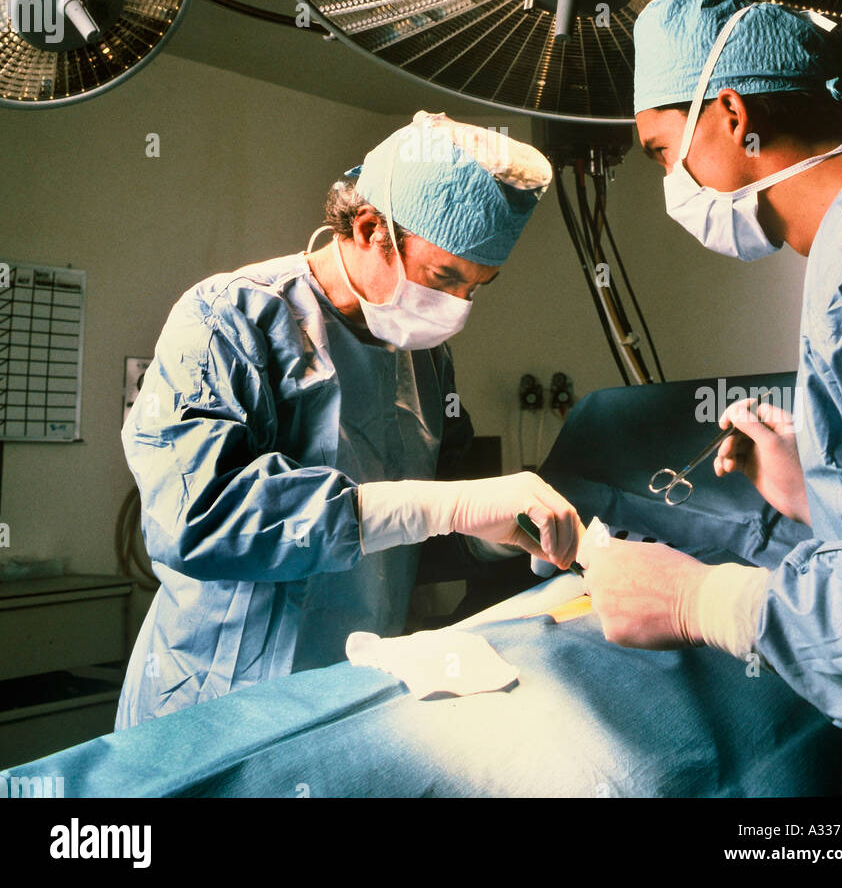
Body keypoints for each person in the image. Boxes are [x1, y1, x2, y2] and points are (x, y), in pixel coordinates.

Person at [116, 110, 581, 727]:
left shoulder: (425, 358)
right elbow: (195, 520)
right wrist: (450, 508)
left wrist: (498, 537)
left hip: (356, 693)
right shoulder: (228, 319)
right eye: (444, 278)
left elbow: (422, 527)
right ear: (369, 229)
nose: (457, 308)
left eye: (477, 287)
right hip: (219, 700)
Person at [578, 0, 842, 789]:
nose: (670, 180)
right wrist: (820, 496)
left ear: (730, 115)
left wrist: (704, 602)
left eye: (661, 151)